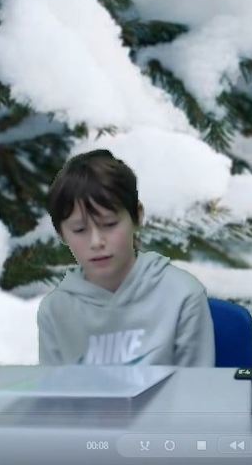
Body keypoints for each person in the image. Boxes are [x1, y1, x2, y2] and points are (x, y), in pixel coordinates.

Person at [37, 149, 215, 367]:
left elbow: (195, 392)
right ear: (61, 234)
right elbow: (55, 397)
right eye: (79, 229)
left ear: (137, 216)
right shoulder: (55, 310)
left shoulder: (182, 295)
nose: (96, 242)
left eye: (110, 224)